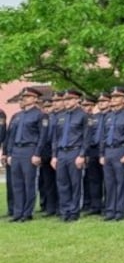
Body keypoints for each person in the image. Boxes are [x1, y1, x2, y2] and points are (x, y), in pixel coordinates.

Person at [5, 87, 48, 222]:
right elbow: (11, 136)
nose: (25, 99)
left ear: (35, 99)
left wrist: (37, 153)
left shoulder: (40, 115)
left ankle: (27, 212)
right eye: (24, 97)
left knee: (29, 183)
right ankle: (18, 212)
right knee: (16, 184)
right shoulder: (18, 116)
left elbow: (43, 136)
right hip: (16, 151)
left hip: (30, 150)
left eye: (28, 97)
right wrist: (9, 153)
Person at [99, 87, 124, 221]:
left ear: (123, 99)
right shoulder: (108, 116)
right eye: (112, 97)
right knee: (109, 183)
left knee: (121, 182)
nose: (113, 99)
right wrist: (102, 154)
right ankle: (110, 210)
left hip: (120, 150)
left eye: (117, 97)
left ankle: (120, 210)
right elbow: (103, 137)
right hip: (108, 151)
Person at [51, 88, 89, 222]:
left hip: (75, 151)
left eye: (70, 99)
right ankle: (64, 210)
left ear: (77, 100)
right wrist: (54, 156)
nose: (66, 102)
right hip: (62, 152)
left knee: (75, 183)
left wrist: (82, 155)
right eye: (65, 100)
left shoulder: (83, 115)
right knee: (62, 183)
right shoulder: (61, 116)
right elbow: (56, 138)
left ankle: (74, 211)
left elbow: (86, 137)